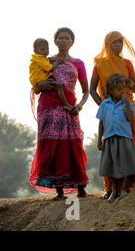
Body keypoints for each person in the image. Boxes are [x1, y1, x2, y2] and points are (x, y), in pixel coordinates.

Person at [29, 27, 90, 200]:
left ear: (72, 42)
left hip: (70, 109)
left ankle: (81, 187)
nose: (63, 41)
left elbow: (85, 91)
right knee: (53, 146)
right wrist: (40, 86)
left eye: (67, 38)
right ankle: (60, 191)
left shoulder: (78, 63)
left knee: (73, 146)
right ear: (55, 41)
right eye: (60, 38)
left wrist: (79, 106)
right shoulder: (45, 61)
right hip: (49, 110)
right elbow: (36, 86)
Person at [90, 30, 135, 199]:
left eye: (120, 42)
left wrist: (130, 85)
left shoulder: (127, 63)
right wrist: (104, 105)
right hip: (111, 112)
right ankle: (110, 189)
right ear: (108, 45)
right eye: (115, 43)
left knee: (128, 148)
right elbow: (92, 89)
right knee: (109, 152)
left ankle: (129, 187)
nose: (118, 45)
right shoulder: (99, 63)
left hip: (126, 108)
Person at [97, 74, 135, 203]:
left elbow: (130, 117)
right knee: (111, 166)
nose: (122, 92)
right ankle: (114, 191)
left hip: (124, 137)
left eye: (123, 89)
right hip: (109, 138)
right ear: (110, 90)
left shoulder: (127, 102)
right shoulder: (105, 104)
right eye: (119, 89)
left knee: (125, 164)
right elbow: (101, 122)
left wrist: (127, 102)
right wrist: (99, 139)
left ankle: (123, 188)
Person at [29, 38, 73, 112]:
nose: (45, 51)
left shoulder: (42, 58)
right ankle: (65, 103)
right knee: (58, 85)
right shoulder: (39, 59)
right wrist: (58, 61)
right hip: (41, 81)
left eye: (47, 49)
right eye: (42, 49)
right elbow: (51, 69)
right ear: (35, 51)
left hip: (39, 80)